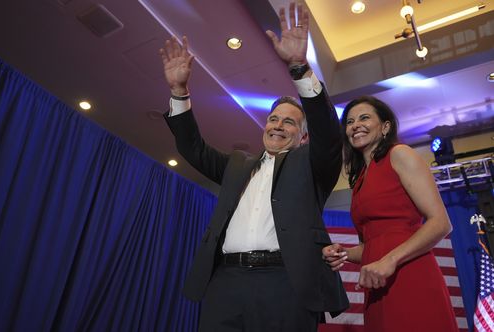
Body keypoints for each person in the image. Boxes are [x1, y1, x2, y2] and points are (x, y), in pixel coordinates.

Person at [160, 3, 348, 331]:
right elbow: (192, 148)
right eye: (273, 118)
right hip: (225, 282)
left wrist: (299, 67)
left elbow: (329, 135)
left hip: (285, 283)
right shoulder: (237, 165)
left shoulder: (312, 165)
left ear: (303, 138)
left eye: (290, 123)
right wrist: (179, 91)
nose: (277, 125)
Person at [323, 96, 459, 331]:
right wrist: (343, 253)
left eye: (365, 117)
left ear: (385, 126)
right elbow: (371, 245)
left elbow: (441, 223)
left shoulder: (400, 154)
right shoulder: (359, 179)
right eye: (350, 121)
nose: (355, 125)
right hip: (376, 283)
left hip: (409, 274)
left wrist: (390, 261)